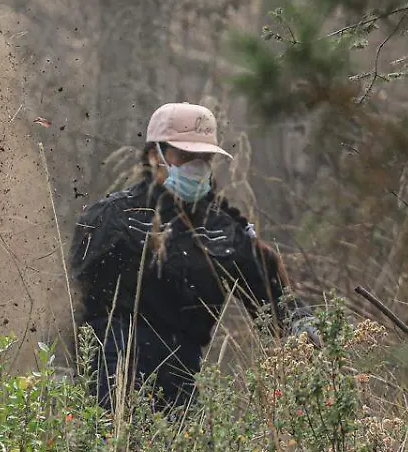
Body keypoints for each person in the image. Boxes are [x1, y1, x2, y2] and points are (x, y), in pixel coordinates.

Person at [70, 103, 317, 411]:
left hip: (183, 375)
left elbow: (270, 299)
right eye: (185, 156)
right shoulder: (113, 217)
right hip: (113, 372)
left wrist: (302, 325)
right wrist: (72, 374)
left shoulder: (225, 231)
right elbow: (75, 300)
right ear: (154, 156)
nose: (195, 166)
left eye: (204, 158)